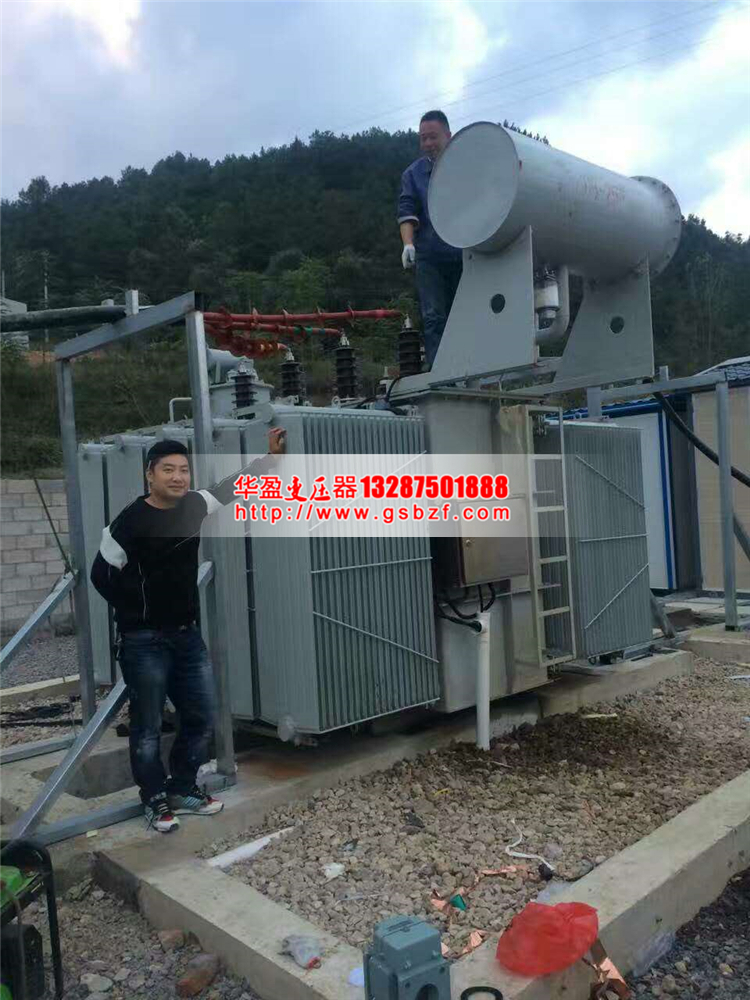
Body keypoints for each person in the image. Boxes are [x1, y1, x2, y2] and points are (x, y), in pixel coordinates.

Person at [91, 429, 285, 833]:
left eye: (183, 470)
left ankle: (182, 788)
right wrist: (140, 609)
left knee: (200, 716)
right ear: (150, 475)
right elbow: (101, 575)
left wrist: (269, 461)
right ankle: (153, 798)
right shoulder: (130, 521)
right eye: (168, 470)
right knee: (147, 727)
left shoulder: (193, 505)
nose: (178, 477)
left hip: (186, 636)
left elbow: (229, 489)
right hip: (143, 641)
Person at [398, 109, 463, 367]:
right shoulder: (413, 174)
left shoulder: (467, 165)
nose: (427, 143)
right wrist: (408, 244)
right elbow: (407, 211)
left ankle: (471, 368)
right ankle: (441, 372)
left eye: (433, 137)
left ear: (449, 135)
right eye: (423, 138)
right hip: (430, 256)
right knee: (434, 317)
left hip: (466, 254)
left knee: (466, 313)